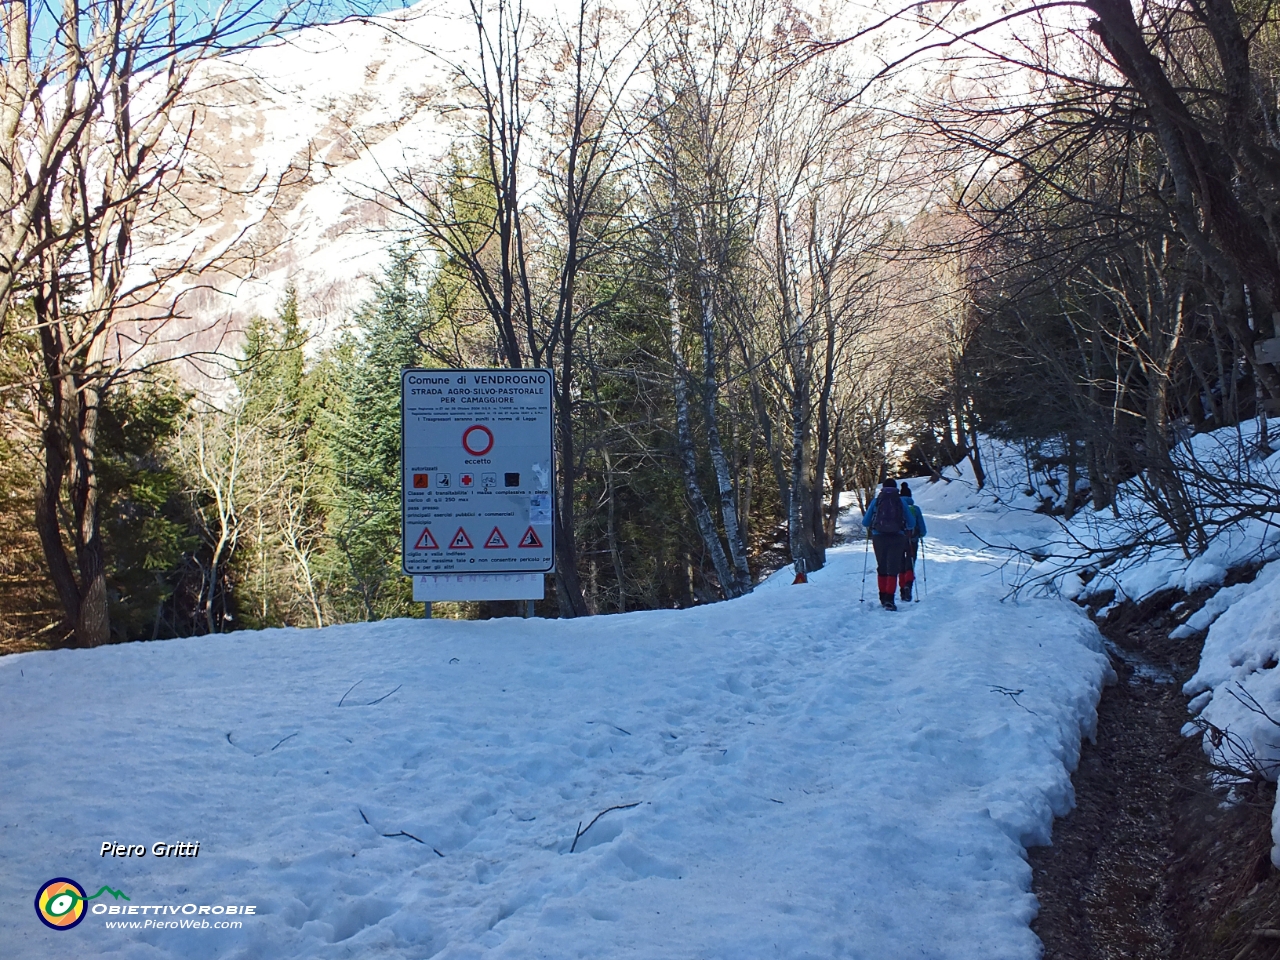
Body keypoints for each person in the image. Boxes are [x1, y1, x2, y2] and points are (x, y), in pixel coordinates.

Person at [861, 479, 916, 610]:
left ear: (883, 488)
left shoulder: (876, 501)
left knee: (882, 566)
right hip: (897, 537)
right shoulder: (901, 501)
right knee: (893, 567)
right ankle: (890, 599)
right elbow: (911, 523)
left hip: (879, 537)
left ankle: (882, 596)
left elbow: (865, 522)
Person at [898, 482, 927, 603]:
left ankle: (901, 590)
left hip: (898, 539)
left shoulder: (897, 507)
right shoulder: (915, 509)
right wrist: (919, 535)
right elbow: (923, 529)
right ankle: (908, 585)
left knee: (900, 564)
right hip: (912, 540)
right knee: (910, 562)